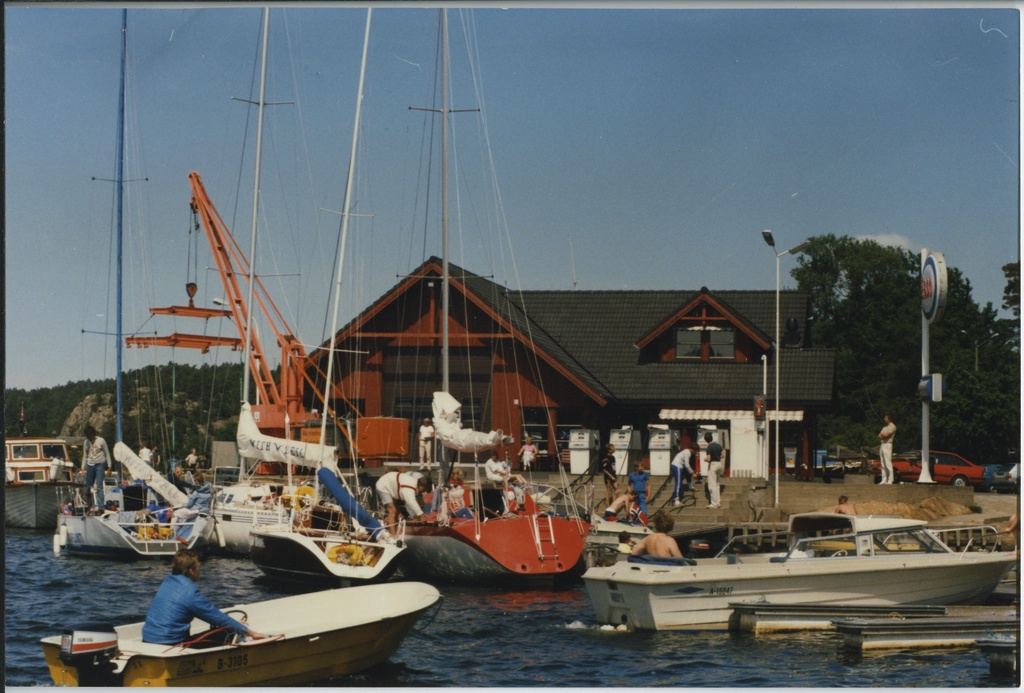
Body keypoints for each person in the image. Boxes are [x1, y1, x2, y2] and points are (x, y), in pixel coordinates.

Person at [142, 549, 267, 645]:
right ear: (191, 571)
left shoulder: (168, 582)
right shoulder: (190, 593)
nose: (199, 571)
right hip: (170, 645)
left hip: (148, 640)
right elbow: (216, 617)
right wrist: (250, 633)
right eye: (198, 567)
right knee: (227, 632)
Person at [81, 425, 112, 508]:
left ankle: (101, 506)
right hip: (90, 465)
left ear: (94, 434)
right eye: (87, 436)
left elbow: (107, 454)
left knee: (99, 487)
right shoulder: (86, 442)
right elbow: (84, 455)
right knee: (88, 488)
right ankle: (91, 506)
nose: (89, 437)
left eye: (90, 435)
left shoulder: (101, 441)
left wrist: (109, 467)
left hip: (100, 464)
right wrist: (82, 468)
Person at [704, 432, 724, 509]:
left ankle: (714, 503)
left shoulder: (709, 447)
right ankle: (718, 502)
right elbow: (722, 455)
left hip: (713, 465)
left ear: (706, 440)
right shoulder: (718, 445)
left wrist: (705, 459)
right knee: (717, 484)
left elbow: (709, 459)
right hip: (719, 464)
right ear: (712, 438)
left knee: (712, 485)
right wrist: (717, 456)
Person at [877, 414, 896, 484]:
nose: (884, 419)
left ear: (889, 419)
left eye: (885, 418)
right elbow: (879, 436)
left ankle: (890, 479)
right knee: (883, 463)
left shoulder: (892, 426)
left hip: (888, 444)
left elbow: (886, 435)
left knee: (888, 462)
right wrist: (882, 435)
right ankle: (884, 479)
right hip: (882, 444)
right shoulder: (884, 427)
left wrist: (883, 435)